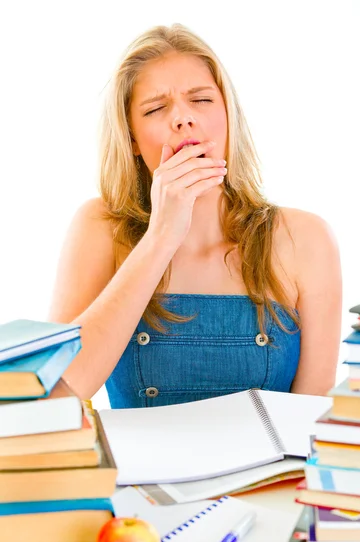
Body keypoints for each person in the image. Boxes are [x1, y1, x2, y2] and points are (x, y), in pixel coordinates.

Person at [48, 23, 342, 409]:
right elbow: (56, 394)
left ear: (227, 116)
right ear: (132, 139)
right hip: (138, 471)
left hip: (272, 472)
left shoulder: (305, 238)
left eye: (201, 100)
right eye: (156, 108)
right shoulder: (100, 227)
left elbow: (312, 418)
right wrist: (161, 237)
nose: (183, 119)